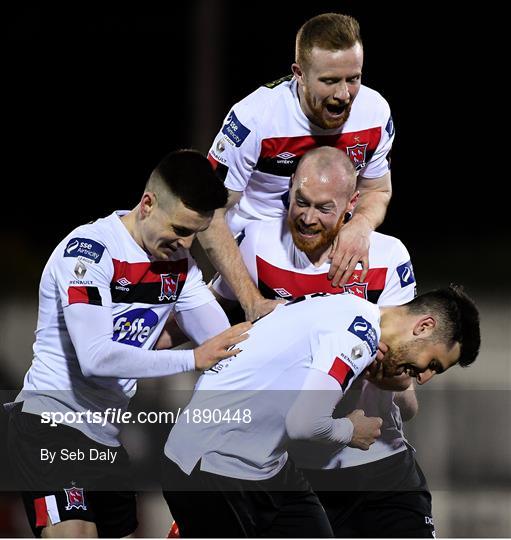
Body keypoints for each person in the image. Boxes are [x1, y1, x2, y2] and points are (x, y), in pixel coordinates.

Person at [5, 149, 251, 538]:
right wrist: (192, 359)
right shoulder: (88, 252)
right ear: (148, 204)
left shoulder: (179, 267)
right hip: (51, 424)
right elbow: (96, 358)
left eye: (195, 234)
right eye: (180, 230)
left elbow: (222, 343)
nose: (186, 244)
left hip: (107, 436)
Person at [211, 146, 436, 537]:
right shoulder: (257, 243)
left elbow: (403, 374)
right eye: (301, 202)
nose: (308, 217)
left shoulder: (386, 255)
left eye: (324, 208)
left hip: (375, 461)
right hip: (288, 468)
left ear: (352, 205)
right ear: (290, 188)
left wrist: (396, 381)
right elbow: (209, 318)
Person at [162, 286, 481, 538]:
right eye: (434, 364)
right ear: (424, 326)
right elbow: (304, 423)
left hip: (263, 466)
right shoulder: (359, 333)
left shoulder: (344, 308)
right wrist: (351, 431)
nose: (424, 377)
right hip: (213, 468)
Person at [199, 12, 394, 321]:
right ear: (299, 74)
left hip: (324, 258)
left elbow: (377, 190)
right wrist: (250, 299)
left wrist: (359, 226)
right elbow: (208, 213)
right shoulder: (254, 119)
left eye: (353, 79)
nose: (344, 95)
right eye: (330, 81)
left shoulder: (374, 112)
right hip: (254, 267)